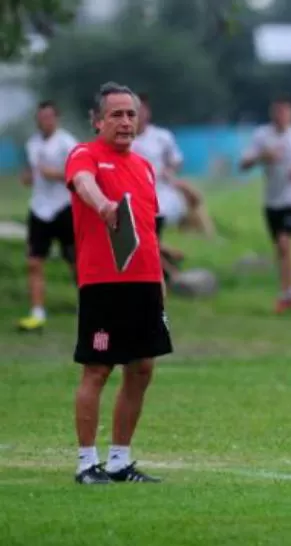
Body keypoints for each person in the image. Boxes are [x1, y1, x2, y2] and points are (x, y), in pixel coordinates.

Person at [65, 82, 172, 484]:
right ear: (97, 121)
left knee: (142, 367)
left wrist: (159, 282)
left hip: (144, 282)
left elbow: (148, 229)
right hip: (104, 283)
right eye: (116, 114)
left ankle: (119, 461)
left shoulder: (145, 167)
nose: (126, 121)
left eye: (131, 114)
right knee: (98, 369)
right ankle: (86, 463)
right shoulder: (85, 154)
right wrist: (103, 204)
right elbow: (83, 183)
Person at [240, 95, 291, 313]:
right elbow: (244, 163)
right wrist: (262, 156)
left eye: (286, 111)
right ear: (272, 113)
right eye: (278, 111)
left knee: (285, 243)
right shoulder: (262, 135)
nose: (281, 116)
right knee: (280, 248)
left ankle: (285, 293)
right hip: (271, 199)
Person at [17, 100, 79, 332]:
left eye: (49, 117)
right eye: (41, 118)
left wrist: (56, 173)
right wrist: (28, 177)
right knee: (34, 262)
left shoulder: (67, 142)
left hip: (64, 207)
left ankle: (87, 303)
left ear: (56, 118)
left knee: (75, 261)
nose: (45, 122)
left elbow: (79, 174)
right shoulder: (32, 143)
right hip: (39, 208)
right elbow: (32, 173)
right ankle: (37, 312)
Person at [130, 94, 187, 282]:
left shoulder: (161, 137)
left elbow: (176, 160)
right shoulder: (123, 139)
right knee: (143, 244)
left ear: (148, 112)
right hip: (130, 200)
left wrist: (169, 171)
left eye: (142, 110)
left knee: (146, 244)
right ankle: (168, 267)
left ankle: (166, 276)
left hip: (158, 199)